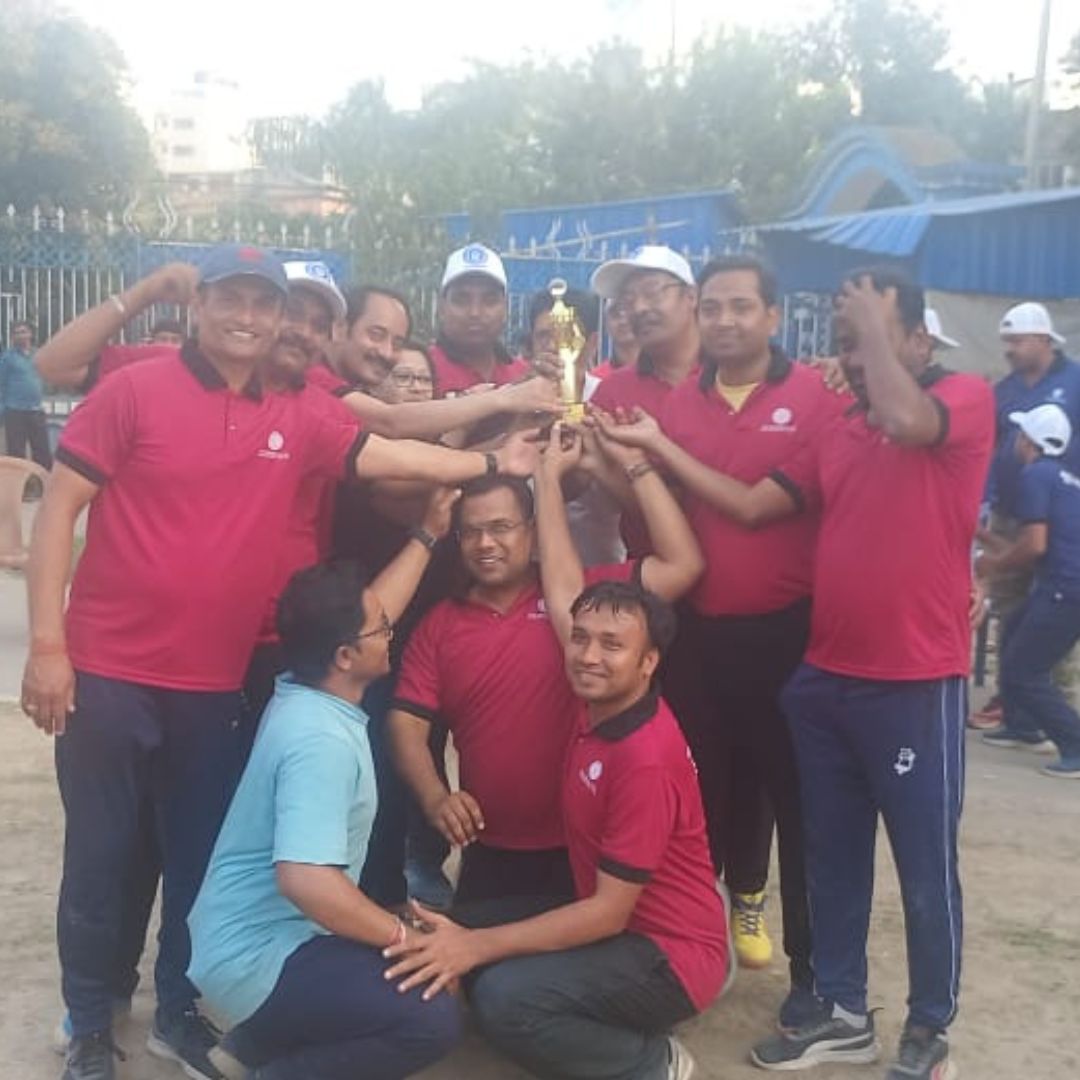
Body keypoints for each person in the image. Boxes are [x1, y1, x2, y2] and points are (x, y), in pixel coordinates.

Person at [20, 244, 541, 1080]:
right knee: (102, 856)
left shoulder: (301, 411)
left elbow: (392, 449)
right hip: (110, 674)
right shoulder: (134, 388)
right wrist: (48, 647)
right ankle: (88, 1021)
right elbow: (58, 513)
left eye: (265, 305)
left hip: (215, 686)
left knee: (198, 860)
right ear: (201, 305)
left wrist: (490, 464)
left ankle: (179, 1011)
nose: (249, 318)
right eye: (233, 299)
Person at [602, 268, 993, 1080]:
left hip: (913, 677)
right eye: (848, 343)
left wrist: (867, 338)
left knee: (924, 864)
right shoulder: (843, 427)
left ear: (919, 340)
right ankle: (840, 1010)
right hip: (822, 673)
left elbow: (911, 418)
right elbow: (747, 507)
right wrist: (637, 447)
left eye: (877, 338)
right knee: (828, 848)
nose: (857, 357)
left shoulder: (959, 398)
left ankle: (929, 1024)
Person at [384, 575, 730, 1080]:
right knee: (455, 936)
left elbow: (608, 914)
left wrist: (477, 946)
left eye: (612, 645)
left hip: (667, 953)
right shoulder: (598, 712)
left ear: (648, 662)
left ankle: (652, 1063)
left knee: (506, 1000)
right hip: (615, 918)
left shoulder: (643, 759)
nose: (589, 655)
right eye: (580, 637)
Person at [616, 255, 845, 1015]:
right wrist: (592, 457)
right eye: (713, 308)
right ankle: (689, 960)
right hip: (697, 636)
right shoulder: (681, 402)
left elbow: (752, 509)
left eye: (740, 307)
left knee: (800, 805)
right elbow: (658, 498)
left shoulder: (817, 398)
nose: (724, 321)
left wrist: (658, 447)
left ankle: (815, 978)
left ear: (774, 316)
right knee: (698, 803)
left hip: (787, 637)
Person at [189, 519, 462, 1080]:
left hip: (265, 936)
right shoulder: (318, 741)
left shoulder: (307, 686)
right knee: (430, 1016)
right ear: (343, 655)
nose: (391, 632)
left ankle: (242, 1053)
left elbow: (364, 614)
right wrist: (401, 937)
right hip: (257, 954)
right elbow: (305, 880)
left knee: (421, 954)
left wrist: (430, 532)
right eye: (382, 630)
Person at [388, 429, 704, 908]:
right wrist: (436, 798)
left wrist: (633, 465)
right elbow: (407, 724)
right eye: (471, 531)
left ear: (531, 531)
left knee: (568, 972)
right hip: (490, 846)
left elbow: (682, 565)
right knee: (478, 975)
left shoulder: (590, 604)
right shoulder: (440, 625)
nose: (485, 543)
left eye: (501, 527)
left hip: (583, 844)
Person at [975, 302, 1080, 733]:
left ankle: (1055, 707)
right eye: (1007, 342)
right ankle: (1017, 709)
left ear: (1043, 339)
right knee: (1012, 607)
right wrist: (986, 502)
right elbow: (990, 445)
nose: (1010, 350)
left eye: (1017, 341)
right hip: (1013, 510)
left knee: (1054, 603)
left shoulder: (1075, 382)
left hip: (1061, 511)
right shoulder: (1005, 390)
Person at [976, 404, 1080, 777]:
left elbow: (1033, 545)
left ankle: (1074, 741)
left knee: (1025, 671)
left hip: (1064, 590)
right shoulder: (1064, 476)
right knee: (1014, 636)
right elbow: (1034, 548)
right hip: (1060, 584)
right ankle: (1023, 726)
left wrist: (992, 565)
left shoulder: (1035, 475)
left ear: (1027, 441)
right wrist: (982, 536)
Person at [589, 246, 701, 556]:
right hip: (655, 576)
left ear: (691, 296)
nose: (638, 308)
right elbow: (613, 496)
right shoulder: (611, 394)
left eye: (652, 293)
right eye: (628, 300)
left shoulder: (734, 374)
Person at [528, 286, 625, 566]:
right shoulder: (511, 403)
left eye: (565, 334)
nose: (552, 345)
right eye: (543, 336)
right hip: (527, 572)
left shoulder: (612, 401)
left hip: (600, 568)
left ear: (592, 343)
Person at [429, 244, 531, 395]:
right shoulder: (421, 372)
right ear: (442, 307)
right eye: (461, 300)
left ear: (505, 308)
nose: (475, 312)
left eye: (489, 301)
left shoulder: (524, 376)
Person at [1, 320, 53, 469]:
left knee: (42, 451)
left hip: (36, 410)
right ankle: (18, 487)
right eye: (16, 333)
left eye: (23, 331)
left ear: (30, 334)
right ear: (13, 337)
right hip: (15, 411)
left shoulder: (38, 355)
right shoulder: (8, 358)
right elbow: (1, 384)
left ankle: (44, 483)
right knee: (16, 453)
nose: (20, 335)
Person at [591, 296, 640, 379]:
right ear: (606, 325)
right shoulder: (596, 380)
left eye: (630, 311)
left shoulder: (664, 372)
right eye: (616, 313)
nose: (623, 321)